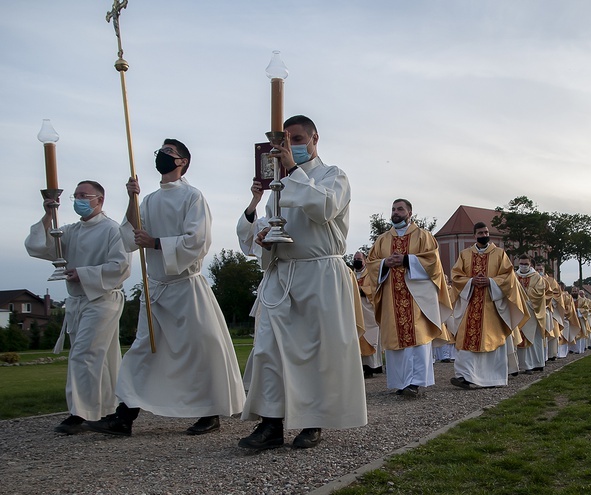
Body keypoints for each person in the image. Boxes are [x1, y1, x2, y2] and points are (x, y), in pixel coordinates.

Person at [86, 138, 245, 437]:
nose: (162, 156)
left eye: (169, 153)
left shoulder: (192, 197)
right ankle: (123, 417)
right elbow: (132, 235)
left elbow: (197, 242)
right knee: (142, 350)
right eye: (161, 151)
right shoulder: (149, 200)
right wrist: (131, 199)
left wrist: (156, 243)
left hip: (186, 288)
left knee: (200, 350)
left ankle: (210, 413)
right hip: (156, 290)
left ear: (182, 162)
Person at [236, 116, 367, 451]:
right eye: (285, 140)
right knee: (269, 349)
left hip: (319, 274)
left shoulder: (333, 175)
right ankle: (270, 424)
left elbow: (323, 208)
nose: (290, 145)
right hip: (283, 275)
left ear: (314, 139)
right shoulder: (278, 186)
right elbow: (272, 223)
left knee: (316, 352)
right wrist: (265, 237)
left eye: (296, 138)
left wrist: (293, 170)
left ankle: (312, 422)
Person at [25, 181, 131, 434]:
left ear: (100, 200)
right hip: (77, 301)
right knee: (103, 358)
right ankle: (108, 408)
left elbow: (121, 266)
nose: (79, 200)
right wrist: (49, 214)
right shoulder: (71, 231)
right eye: (76, 196)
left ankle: (79, 413)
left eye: (85, 195)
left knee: (84, 354)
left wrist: (83, 274)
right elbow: (39, 246)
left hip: (102, 299)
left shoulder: (112, 230)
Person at [367, 198, 452, 397]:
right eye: (393, 209)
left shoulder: (423, 236)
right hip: (391, 297)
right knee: (395, 339)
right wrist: (384, 263)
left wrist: (406, 260)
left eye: (400, 209)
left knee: (417, 338)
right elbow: (371, 264)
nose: (396, 212)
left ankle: (414, 382)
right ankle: (401, 382)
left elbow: (433, 262)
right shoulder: (382, 239)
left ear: (410, 213)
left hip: (417, 299)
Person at [449, 222, 528, 389]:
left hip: (492, 305)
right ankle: (465, 376)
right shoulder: (465, 254)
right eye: (480, 232)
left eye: (486, 232)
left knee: (492, 340)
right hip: (470, 304)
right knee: (466, 339)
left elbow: (508, 277)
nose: (484, 234)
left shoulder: (499, 254)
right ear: (474, 235)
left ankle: (492, 378)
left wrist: (490, 281)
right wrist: (471, 281)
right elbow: (456, 276)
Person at [514, 255, 547, 372]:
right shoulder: (514, 276)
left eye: (525, 264)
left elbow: (540, 293)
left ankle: (536, 363)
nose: (523, 266)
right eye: (521, 264)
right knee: (519, 337)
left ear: (530, 265)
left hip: (532, 311)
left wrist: (525, 291)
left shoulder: (537, 277)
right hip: (518, 311)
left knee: (533, 337)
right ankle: (522, 365)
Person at [353, 251, 383, 378]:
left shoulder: (370, 274)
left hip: (368, 309)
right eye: (355, 259)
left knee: (370, 337)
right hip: (356, 310)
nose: (356, 261)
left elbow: (375, 289)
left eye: (359, 258)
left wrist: (361, 290)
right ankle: (361, 366)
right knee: (357, 336)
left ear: (365, 260)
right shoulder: (351, 274)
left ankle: (372, 367)